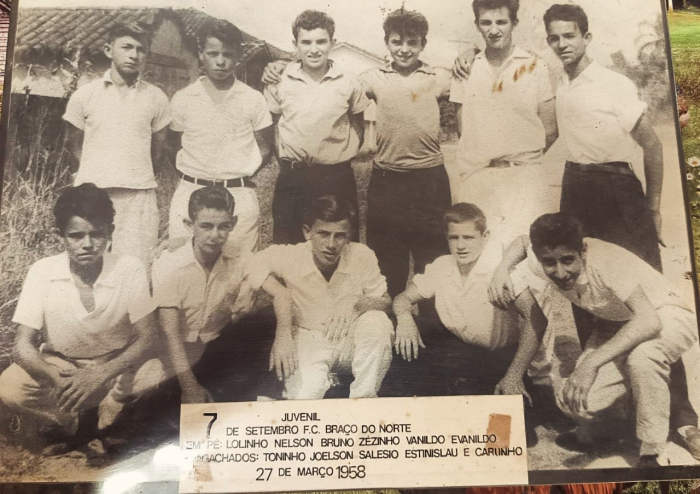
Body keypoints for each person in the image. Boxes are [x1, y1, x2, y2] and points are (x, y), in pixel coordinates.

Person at [493, 213, 700, 466]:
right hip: (617, 324)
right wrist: (501, 270)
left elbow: (649, 321)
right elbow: (522, 242)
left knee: (642, 359)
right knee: (576, 402)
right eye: (550, 263)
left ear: (582, 250)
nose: (560, 272)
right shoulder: (544, 256)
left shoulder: (606, 260)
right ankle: (620, 425)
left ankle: (651, 451)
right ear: (539, 257)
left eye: (568, 260)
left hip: (665, 315)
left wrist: (591, 364)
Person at [0, 184, 164, 459]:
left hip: (114, 367)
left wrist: (101, 374)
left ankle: (110, 414)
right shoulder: (43, 271)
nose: (87, 244)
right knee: (10, 386)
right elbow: (22, 346)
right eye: (76, 235)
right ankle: (74, 422)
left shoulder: (128, 267)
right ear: (60, 235)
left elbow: (149, 337)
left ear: (110, 232)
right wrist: (57, 378)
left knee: (154, 372)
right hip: (63, 367)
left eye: (96, 234)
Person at [388, 204, 551, 415]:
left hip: (496, 357)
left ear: (485, 236)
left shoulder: (499, 269)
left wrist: (514, 375)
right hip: (459, 349)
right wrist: (404, 318)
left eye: (468, 238)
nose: (461, 246)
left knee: (502, 423)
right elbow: (402, 298)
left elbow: (536, 319)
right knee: (396, 327)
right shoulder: (442, 265)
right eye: (454, 238)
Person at [249, 195, 394, 399]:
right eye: (323, 234)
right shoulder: (291, 255)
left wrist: (355, 300)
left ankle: (363, 398)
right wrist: (281, 298)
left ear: (349, 236)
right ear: (307, 232)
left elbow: (386, 302)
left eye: (340, 236)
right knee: (308, 394)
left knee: (377, 321)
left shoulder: (361, 254)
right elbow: (250, 262)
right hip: (310, 339)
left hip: (351, 341)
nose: (331, 244)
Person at [153, 186, 278, 403]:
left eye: (223, 226)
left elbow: (280, 293)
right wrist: (189, 386)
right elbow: (169, 333)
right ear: (189, 225)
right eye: (206, 226)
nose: (215, 235)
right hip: (176, 353)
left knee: (267, 320)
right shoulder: (169, 263)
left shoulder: (239, 255)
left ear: (233, 223)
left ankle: (262, 395)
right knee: (162, 401)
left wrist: (249, 287)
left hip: (215, 345)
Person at [63, 22, 171, 267]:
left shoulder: (156, 97)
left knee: (136, 264)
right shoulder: (85, 94)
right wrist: (95, 170)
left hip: (138, 195)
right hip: (93, 192)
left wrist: (135, 174)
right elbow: (72, 141)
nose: (134, 55)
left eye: (141, 49)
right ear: (108, 50)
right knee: (89, 261)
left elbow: (159, 150)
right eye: (127, 47)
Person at [450, 0, 557, 244]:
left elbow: (550, 130)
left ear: (514, 23)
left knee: (525, 251)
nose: (494, 30)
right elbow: (463, 129)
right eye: (486, 22)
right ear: (477, 25)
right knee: (479, 254)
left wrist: (521, 157)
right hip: (478, 179)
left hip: (525, 179)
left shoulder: (535, 66)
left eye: (501, 22)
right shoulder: (465, 70)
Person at [167, 19, 274, 256]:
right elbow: (171, 145)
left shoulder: (252, 98)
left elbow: (266, 145)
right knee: (183, 263)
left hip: (238, 194)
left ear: (238, 56)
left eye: (227, 54)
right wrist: (195, 172)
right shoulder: (183, 98)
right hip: (191, 190)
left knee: (240, 266)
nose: (220, 61)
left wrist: (241, 172)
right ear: (201, 54)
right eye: (213, 53)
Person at [263, 10, 370, 245]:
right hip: (293, 178)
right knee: (288, 247)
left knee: (339, 245)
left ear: (332, 43)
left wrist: (338, 154)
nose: (314, 49)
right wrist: (288, 160)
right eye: (306, 42)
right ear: (295, 44)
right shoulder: (279, 80)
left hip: (336, 177)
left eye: (321, 41)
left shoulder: (348, 80)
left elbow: (358, 124)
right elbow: (272, 127)